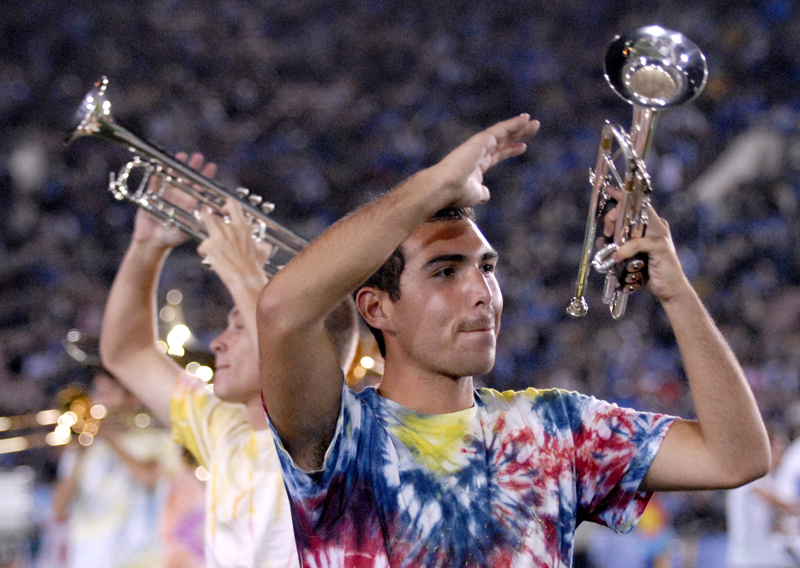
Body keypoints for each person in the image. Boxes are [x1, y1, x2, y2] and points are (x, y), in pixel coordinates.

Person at [256, 114, 771, 567]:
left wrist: (675, 289)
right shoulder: (340, 434)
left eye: (486, 268)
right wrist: (433, 186)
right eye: (444, 272)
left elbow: (736, 458)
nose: (482, 293)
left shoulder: (555, 429)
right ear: (376, 307)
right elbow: (282, 310)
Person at [99, 152, 360, 568]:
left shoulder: (340, 434)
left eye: (240, 326)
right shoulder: (225, 428)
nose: (218, 343)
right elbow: (126, 353)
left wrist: (245, 274)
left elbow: (293, 364)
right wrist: (147, 247)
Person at [51, 369, 176, 568]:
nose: (99, 402)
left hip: (141, 557)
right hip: (89, 556)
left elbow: (148, 478)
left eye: (109, 392)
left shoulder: (158, 437)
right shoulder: (81, 446)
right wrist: (81, 454)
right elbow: (58, 509)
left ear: (133, 398)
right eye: (98, 393)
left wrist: (112, 441)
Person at [726, 422, 800, 568]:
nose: (781, 456)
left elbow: (771, 523)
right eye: (779, 450)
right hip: (747, 559)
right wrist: (795, 508)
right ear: (765, 448)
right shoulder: (748, 473)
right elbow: (777, 502)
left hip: (765, 557)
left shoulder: (768, 480)